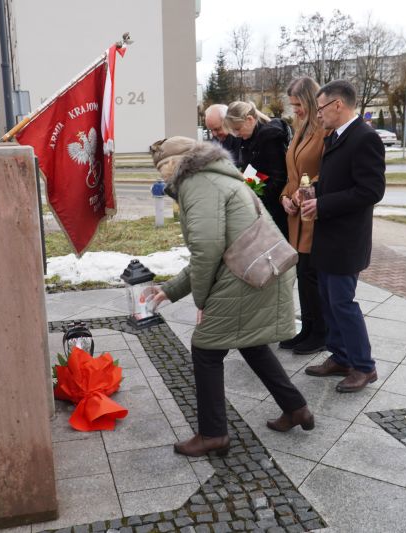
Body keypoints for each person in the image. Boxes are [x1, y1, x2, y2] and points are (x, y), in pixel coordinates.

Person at [146, 136, 314, 457]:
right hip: (258, 269)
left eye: (162, 166)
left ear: (177, 162)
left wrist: (202, 302)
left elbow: (206, 248)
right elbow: (209, 252)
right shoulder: (214, 176)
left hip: (242, 276)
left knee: (206, 349)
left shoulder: (196, 182)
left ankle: (213, 434)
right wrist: (169, 291)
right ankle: (296, 409)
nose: (161, 175)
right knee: (251, 342)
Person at [301, 80, 385, 393]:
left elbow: (371, 190)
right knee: (328, 300)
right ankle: (340, 357)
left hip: (347, 239)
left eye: (320, 107)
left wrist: (323, 203)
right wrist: (312, 192)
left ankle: (364, 366)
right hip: (328, 234)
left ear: (338, 105)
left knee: (343, 302)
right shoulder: (336, 136)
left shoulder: (365, 137)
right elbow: (337, 182)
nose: (317, 114)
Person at [278, 77, 329, 355]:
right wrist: (286, 196)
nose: (294, 110)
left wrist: (302, 193)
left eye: (298, 104)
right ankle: (308, 328)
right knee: (302, 273)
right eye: (292, 105)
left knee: (312, 275)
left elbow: (326, 172)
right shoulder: (300, 130)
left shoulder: (323, 131)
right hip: (297, 216)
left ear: (310, 101)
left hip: (313, 214)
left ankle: (320, 332)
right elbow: (293, 174)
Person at [226, 101, 291, 238]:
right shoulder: (249, 137)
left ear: (250, 120)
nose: (235, 134)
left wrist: (252, 189)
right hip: (263, 207)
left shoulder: (269, 138)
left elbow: (278, 180)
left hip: (275, 211)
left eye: (237, 129)